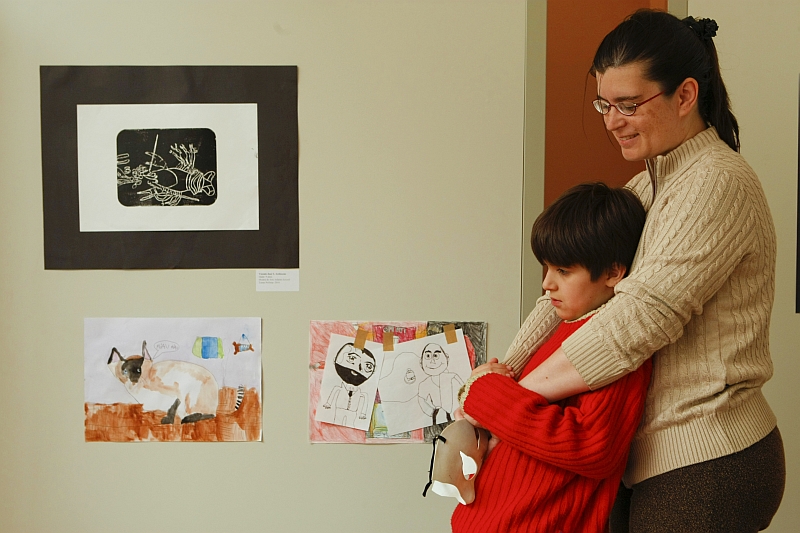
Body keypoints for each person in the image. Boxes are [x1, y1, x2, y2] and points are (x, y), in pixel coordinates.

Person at [501, 10, 785, 532]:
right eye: (605, 103)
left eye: (629, 105)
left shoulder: (717, 184)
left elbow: (638, 319)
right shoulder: (645, 189)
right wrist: (505, 372)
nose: (611, 120)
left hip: (709, 457)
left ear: (684, 95)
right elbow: (564, 292)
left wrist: (508, 403)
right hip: (646, 459)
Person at [452, 182, 651, 532]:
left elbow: (592, 446)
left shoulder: (612, 344)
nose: (547, 284)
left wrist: (482, 393)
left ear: (613, 273)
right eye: (547, 268)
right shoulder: (563, 328)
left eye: (563, 271)